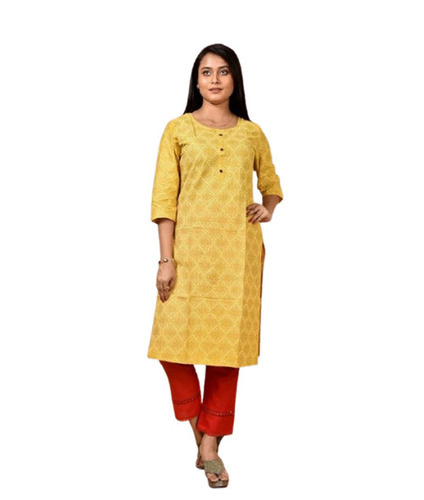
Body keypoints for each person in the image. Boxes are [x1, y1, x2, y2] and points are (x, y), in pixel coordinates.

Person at [147, 43, 284, 488]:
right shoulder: (177, 129)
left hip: (237, 254)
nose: (215, 79)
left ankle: (208, 447)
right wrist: (166, 259)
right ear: (196, 80)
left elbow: (271, 182)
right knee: (172, 348)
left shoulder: (251, 133)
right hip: (187, 253)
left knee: (227, 355)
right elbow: (164, 199)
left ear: (235, 79)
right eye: (206, 72)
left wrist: (267, 208)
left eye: (223, 72)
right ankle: (201, 431)